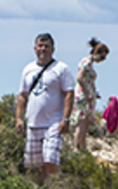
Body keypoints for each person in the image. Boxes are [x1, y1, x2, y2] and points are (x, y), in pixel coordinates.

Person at [15, 33, 74, 179]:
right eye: (40, 46)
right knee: (36, 165)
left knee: (50, 159)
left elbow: (69, 94)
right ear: (34, 49)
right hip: (33, 123)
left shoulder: (61, 69)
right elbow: (22, 95)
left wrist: (65, 119)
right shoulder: (28, 69)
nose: (43, 49)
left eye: (46, 46)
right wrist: (18, 118)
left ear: (53, 49)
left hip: (53, 122)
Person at [73, 38, 110, 151]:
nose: (102, 60)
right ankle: (77, 147)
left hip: (88, 95)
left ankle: (82, 147)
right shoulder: (86, 62)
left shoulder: (89, 63)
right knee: (82, 124)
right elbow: (79, 78)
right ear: (95, 53)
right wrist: (87, 93)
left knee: (85, 124)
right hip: (84, 97)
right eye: (102, 57)